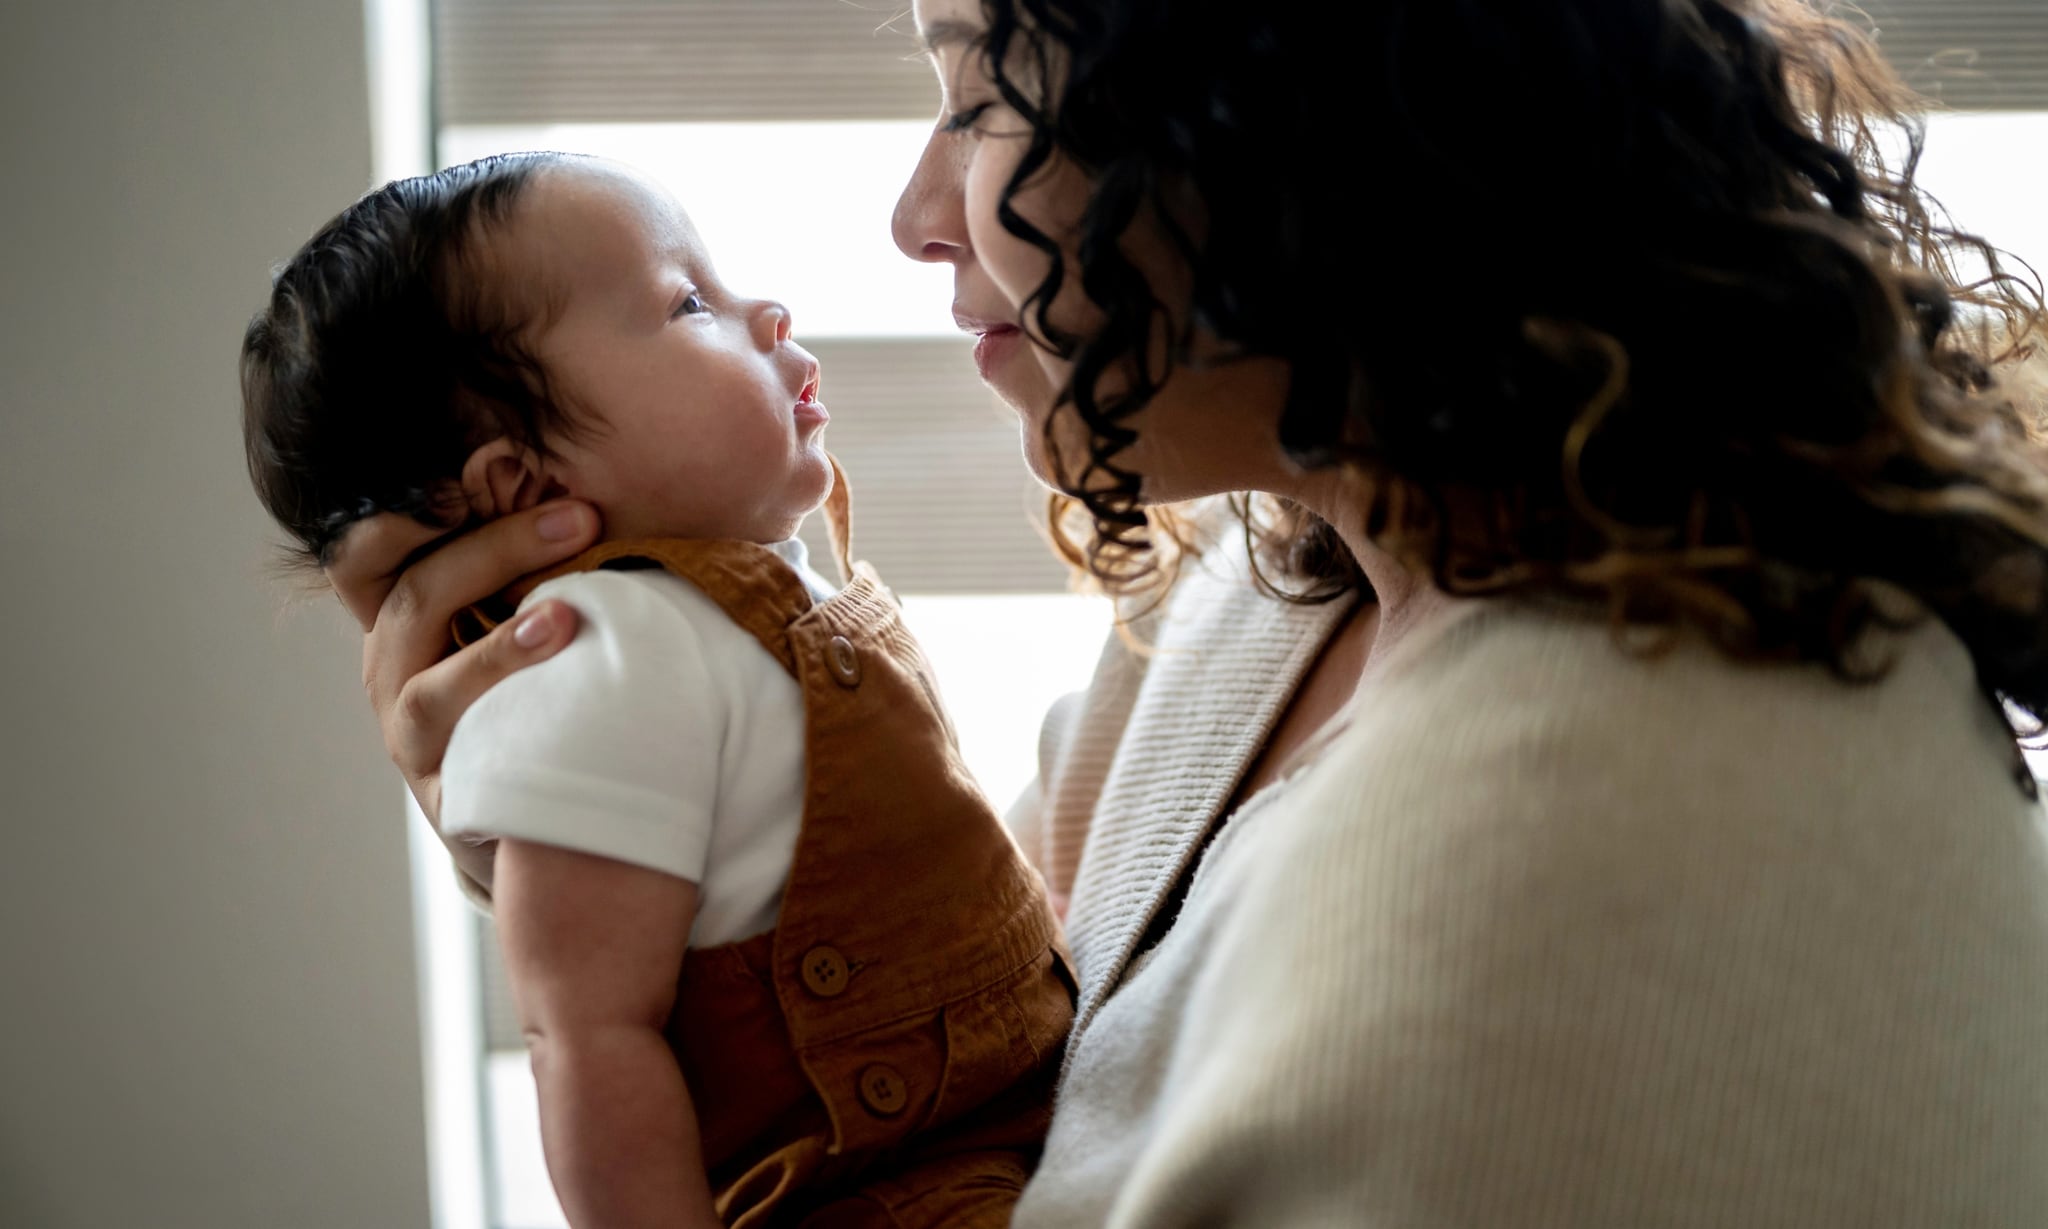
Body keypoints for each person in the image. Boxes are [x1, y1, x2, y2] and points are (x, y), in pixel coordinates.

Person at [323, 0, 2048, 1224]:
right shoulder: (1266, 584)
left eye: (979, 91)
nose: (915, 217)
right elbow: (985, 1004)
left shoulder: (1626, 834)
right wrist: (611, 838)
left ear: (1292, 110)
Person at [240, 152, 1072, 1228]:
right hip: (892, 1184)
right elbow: (585, 1036)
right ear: (526, 483)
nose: (764, 311)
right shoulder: (603, 652)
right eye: (688, 304)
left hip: (1001, 1106)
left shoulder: (728, 603)